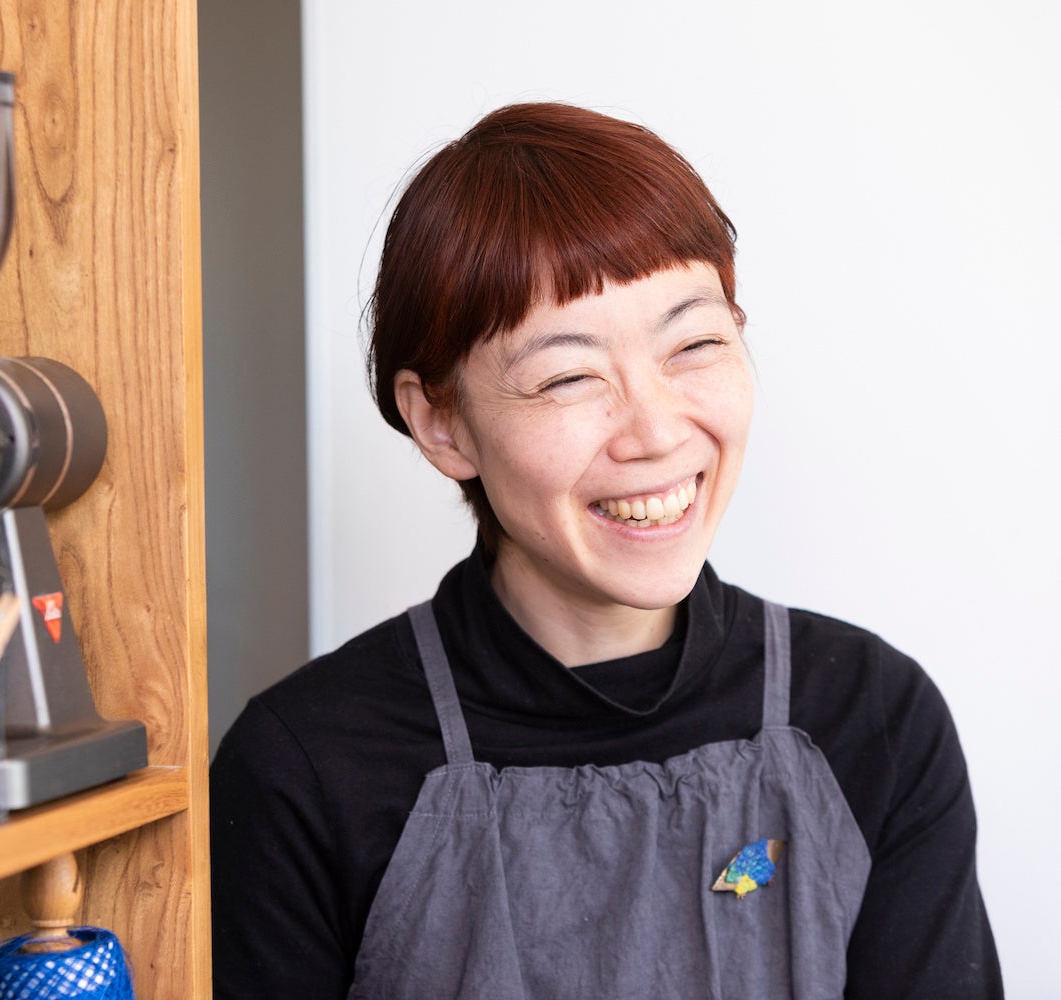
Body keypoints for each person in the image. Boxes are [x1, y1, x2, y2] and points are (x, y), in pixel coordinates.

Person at [210, 102, 1002, 998]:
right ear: (440, 422)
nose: (657, 432)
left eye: (695, 342)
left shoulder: (872, 716)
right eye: (568, 376)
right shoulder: (305, 766)